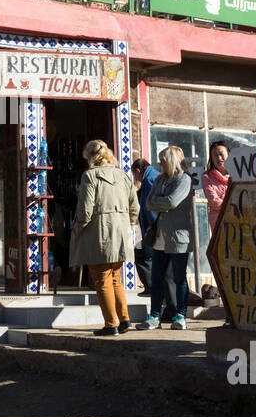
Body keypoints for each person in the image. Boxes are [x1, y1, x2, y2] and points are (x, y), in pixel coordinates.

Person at [70, 140, 138, 336]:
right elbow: (135, 207)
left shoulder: (89, 176)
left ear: (90, 157)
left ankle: (111, 324)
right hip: (121, 233)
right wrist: (127, 224)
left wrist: (77, 230)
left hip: (99, 233)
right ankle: (124, 320)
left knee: (102, 279)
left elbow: (85, 211)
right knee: (115, 278)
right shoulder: (124, 175)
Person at [141, 145, 193, 331]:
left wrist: (158, 202)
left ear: (171, 160)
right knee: (157, 278)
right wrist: (161, 202)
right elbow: (148, 203)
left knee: (179, 277)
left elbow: (173, 201)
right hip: (159, 238)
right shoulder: (159, 179)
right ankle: (154, 315)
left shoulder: (184, 179)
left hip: (179, 237)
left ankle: (181, 315)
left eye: (163, 159)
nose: (160, 162)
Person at [130, 157, 159, 293]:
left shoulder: (148, 180)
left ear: (138, 171)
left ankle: (152, 288)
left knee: (145, 255)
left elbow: (150, 206)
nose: (135, 178)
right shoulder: (154, 176)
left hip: (152, 228)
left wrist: (151, 225)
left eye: (134, 175)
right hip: (154, 227)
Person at [200, 141, 230, 233]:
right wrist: (233, 207)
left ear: (229, 154)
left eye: (221, 154)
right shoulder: (207, 177)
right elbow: (213, 201)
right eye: (215, 155)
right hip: (218, 220)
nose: (219, 158)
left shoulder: (239, 175)